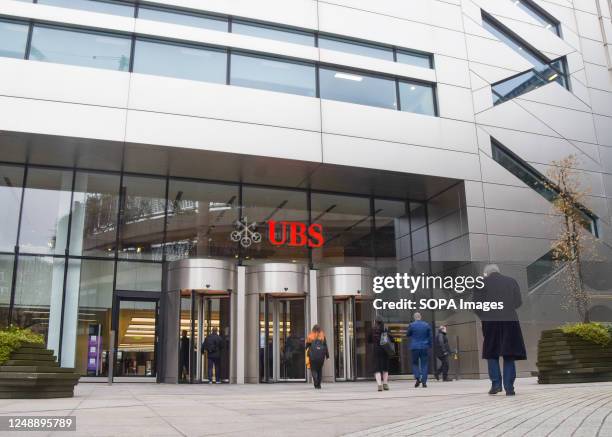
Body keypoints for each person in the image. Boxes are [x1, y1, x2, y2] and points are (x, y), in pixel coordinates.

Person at [473, 264, 527, 396]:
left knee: (492, 352)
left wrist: (484, 317)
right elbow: (518, 302)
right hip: (510, 320)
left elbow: (476, 305)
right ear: (498, 271)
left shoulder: (481, 283)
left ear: (486, 273)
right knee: (509, 353)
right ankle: (509, 387)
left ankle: (496, 385)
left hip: (490, 321)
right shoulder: (511, 281)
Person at [407, 312, 432, 388]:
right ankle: (424, 382)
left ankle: (418, 378)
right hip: (424, 346)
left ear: (414, 317)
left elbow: (408, 334)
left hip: (415, 347)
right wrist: (429, 345)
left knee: (415, 363)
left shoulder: (411, 325)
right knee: (424, 364)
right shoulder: (426, 325)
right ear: (420, 317)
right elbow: (430, 337)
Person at [369, 316, 393, 392]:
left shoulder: (372, 329)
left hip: (376, 350)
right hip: (385, 350)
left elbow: (369, 340)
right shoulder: (385, 329)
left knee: (377, 368)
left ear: (375, 322)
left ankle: (379, 385)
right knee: (385, 367)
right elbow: (392, 339)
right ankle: (385, 384)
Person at [305, 325, 328, 389]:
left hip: (312, 356)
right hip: (321, 357)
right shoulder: (322, 336)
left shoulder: (310, 335)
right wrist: (327, 355)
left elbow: (306, 346)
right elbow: (325, 346)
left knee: (313, 369)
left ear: (313, 329)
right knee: (319, 370)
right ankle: (319, 384)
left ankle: (316, 382)